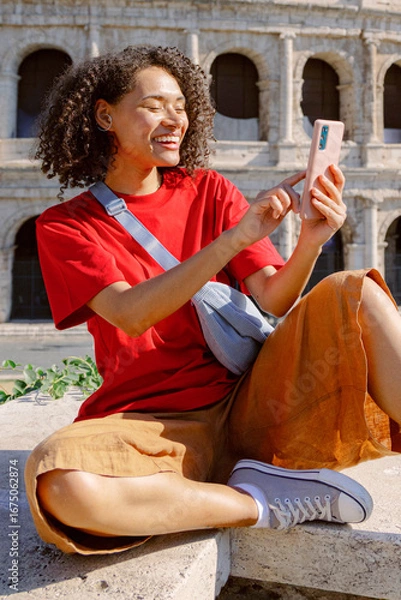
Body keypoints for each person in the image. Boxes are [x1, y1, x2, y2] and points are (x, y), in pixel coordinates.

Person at [25, 45, 400, 555]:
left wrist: (312, 238)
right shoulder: (66, 226)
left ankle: (240, 485)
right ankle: (259, 502)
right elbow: (131, 313)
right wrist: (232, 240)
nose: (174, 119)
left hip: (255, 402)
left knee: (357, 292)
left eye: (180, 106)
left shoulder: (210, 190)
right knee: (61, 485)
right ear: (104, 115)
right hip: (152, 421)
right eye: (154, 105)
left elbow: (272, 297)